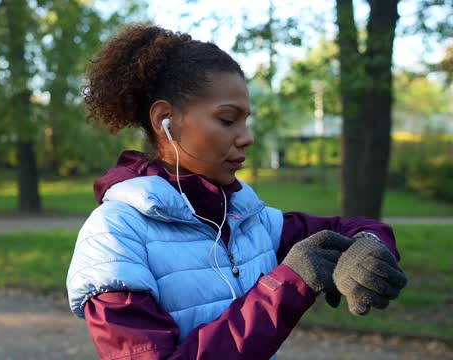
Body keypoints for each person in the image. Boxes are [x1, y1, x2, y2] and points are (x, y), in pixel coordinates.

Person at [66, 24, 407, 359]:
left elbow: (356, 229)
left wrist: (369, 248)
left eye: (246, 121)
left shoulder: (249, 219)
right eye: (228, 120)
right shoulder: (114, 237)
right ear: (165, 119)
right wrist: (287, 285)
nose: (247, 137)